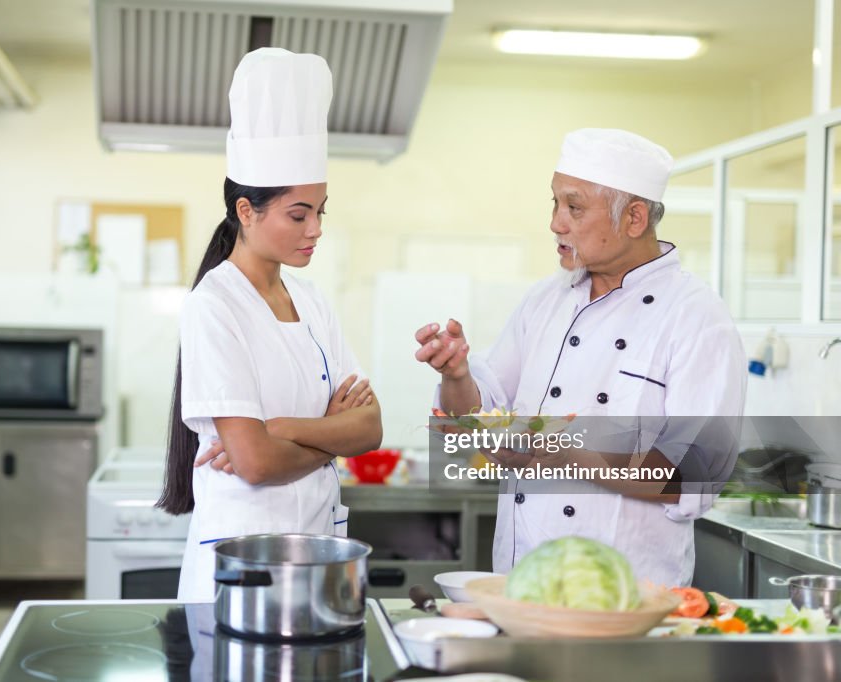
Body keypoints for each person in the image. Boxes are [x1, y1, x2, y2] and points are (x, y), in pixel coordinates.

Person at [414, 128, 746, 586]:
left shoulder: (696, 318)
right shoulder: (545, 300)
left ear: (633, 218)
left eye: (573, 206)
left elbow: (690, 477)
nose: (555, 222)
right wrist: (457, 374)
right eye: (554, 203)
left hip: (624, 598)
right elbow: (476, 420)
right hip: (521, 580)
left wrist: (563, 454)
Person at [158, 47, 382, 602]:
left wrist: (276, 427)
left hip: (315, 557)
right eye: (298, 215)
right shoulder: (215, 305)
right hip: (240, 568)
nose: (315, 230)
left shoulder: (312, 302)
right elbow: (254, 464)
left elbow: (370, 429)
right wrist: (327, 437)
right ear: (246, 211)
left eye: (320, 212)